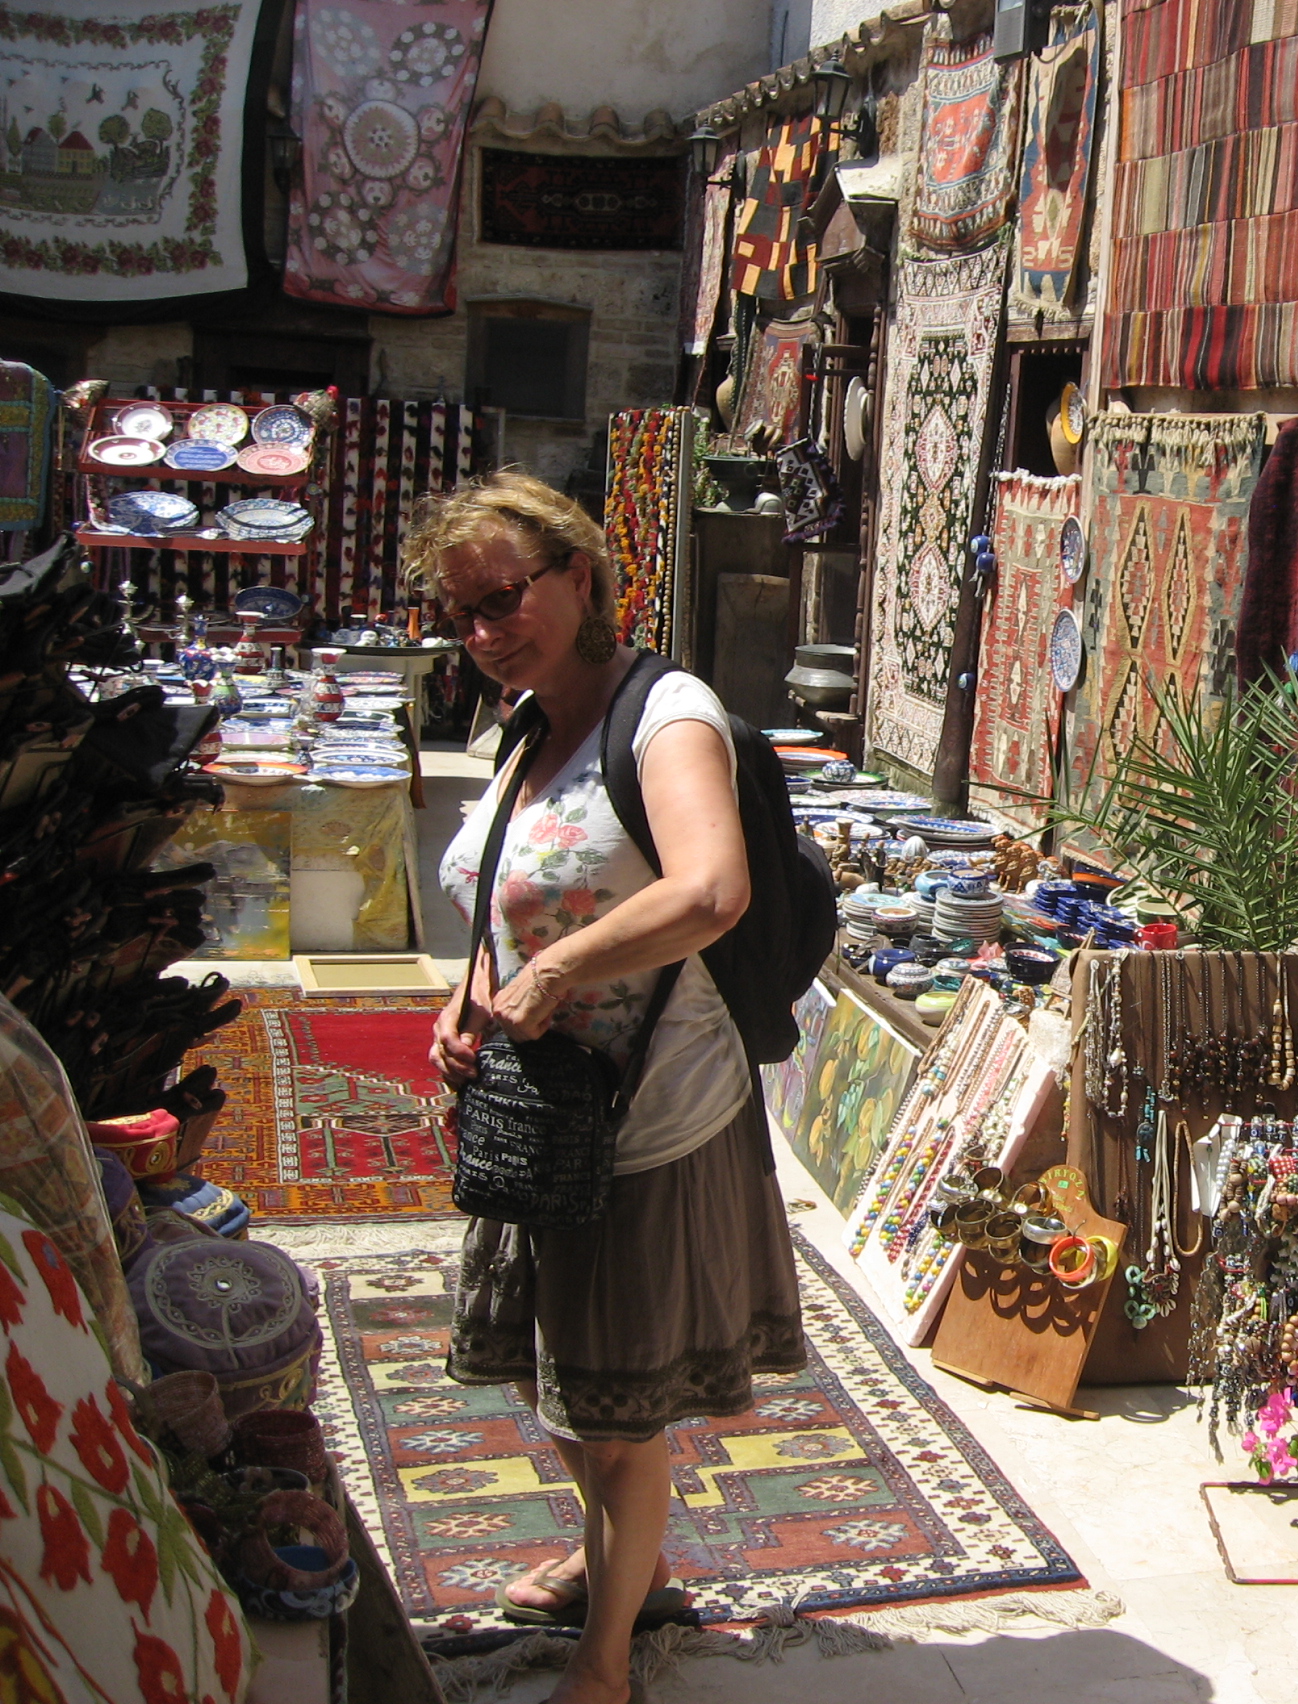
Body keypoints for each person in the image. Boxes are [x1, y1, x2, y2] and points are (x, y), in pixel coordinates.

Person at [407, 471, 801, 1704]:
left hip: (651, 1118)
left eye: (504, 598)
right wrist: (474, 992)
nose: (484, 631)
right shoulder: (530, 720)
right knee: (569, 1381)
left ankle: (605, 1664)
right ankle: (618, 1566)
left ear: (580, 576)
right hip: (548, 1115)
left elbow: (709, 890)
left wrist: (556, 972)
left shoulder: (664, 716)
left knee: (618, 1416)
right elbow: (508, 890)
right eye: (462, 612)